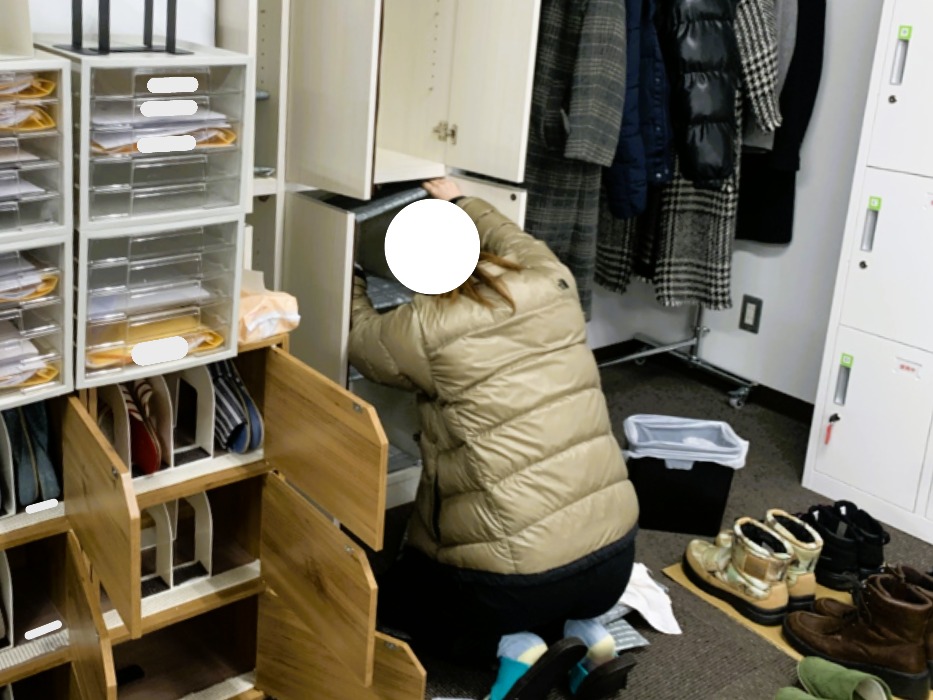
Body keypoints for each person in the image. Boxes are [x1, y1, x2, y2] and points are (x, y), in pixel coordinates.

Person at [348, 178, 640, 700]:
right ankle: (589, 638)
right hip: (614, 558)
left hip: (513, 584)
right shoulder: (552, 278)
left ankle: (514, 650)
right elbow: (511, 237)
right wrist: (462, 202)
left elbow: (359, 338)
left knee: (397, 605)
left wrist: (348, 268)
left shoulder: (422, 329)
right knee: (544, 576)